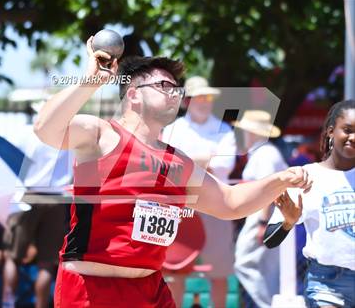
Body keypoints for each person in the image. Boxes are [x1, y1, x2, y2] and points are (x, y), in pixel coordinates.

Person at [33, 36, 312, 307]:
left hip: (151, 290)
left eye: (177, 88)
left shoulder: (178, 161)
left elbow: (229, 203)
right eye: (165, 85)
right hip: (91, 289)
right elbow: (45, 129)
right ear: (133, 94)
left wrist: (280, 180)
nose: (174, 93)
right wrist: (91, 81)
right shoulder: (101, 134)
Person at [264, 99, 355, 308]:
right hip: (328, 284)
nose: (353, 137)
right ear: (331, 131)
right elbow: (269, 240)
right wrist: (288, 222)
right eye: (347, 130)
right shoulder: (307, 176)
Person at [162, 76, 236, 307]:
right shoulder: (174, 129)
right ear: (187, 101)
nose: (204, 102)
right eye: (199, 97)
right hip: (182, 207)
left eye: (208, 97)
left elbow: (226, 165)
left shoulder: (224, 129)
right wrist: (206, 159)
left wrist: (187, 161)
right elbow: (168, 167)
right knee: (175, 271)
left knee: (220, 272)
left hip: (217, 206)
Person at [2, 123, 72, 308]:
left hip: (27, 196)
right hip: (56, 199)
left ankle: (8, 303)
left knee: (12, 258)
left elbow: (11, 160)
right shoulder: (67, 137)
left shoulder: (26, 132)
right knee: (46, 263)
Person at [232, 110, 288, 308]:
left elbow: (268, 191)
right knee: (268, 269)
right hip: (273, 215)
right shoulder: (265, 152)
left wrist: (263, 222)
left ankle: (268, 305)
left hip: (264, 214)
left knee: (243, 262)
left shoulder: (265, 154)